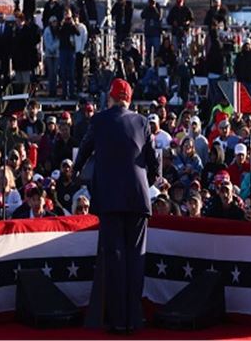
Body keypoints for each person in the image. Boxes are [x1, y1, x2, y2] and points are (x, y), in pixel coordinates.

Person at [74, 78, 159, 333]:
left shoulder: (99, 120)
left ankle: (118, 320)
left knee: (115, 259)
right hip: (138, 199)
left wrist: (76, 172)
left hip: (110, 199)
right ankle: (134, 319)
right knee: (136, 259)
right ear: (129, 100)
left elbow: (84, 150)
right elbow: (154, 163)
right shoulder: (142, 122)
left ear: (110, 98)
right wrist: (146, 183)